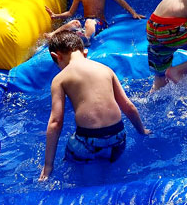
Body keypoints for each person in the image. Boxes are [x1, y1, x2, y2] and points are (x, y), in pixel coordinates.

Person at [39, 31, 150, 180]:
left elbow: (55, 122)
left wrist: (47, 167)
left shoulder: (60, 79)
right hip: (118, 138)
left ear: (56, 56)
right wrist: (142, 130)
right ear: (85, 53)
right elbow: (129, 106)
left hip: (87, 142)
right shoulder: (106, 70)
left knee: (71, 168)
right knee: (111, 172)